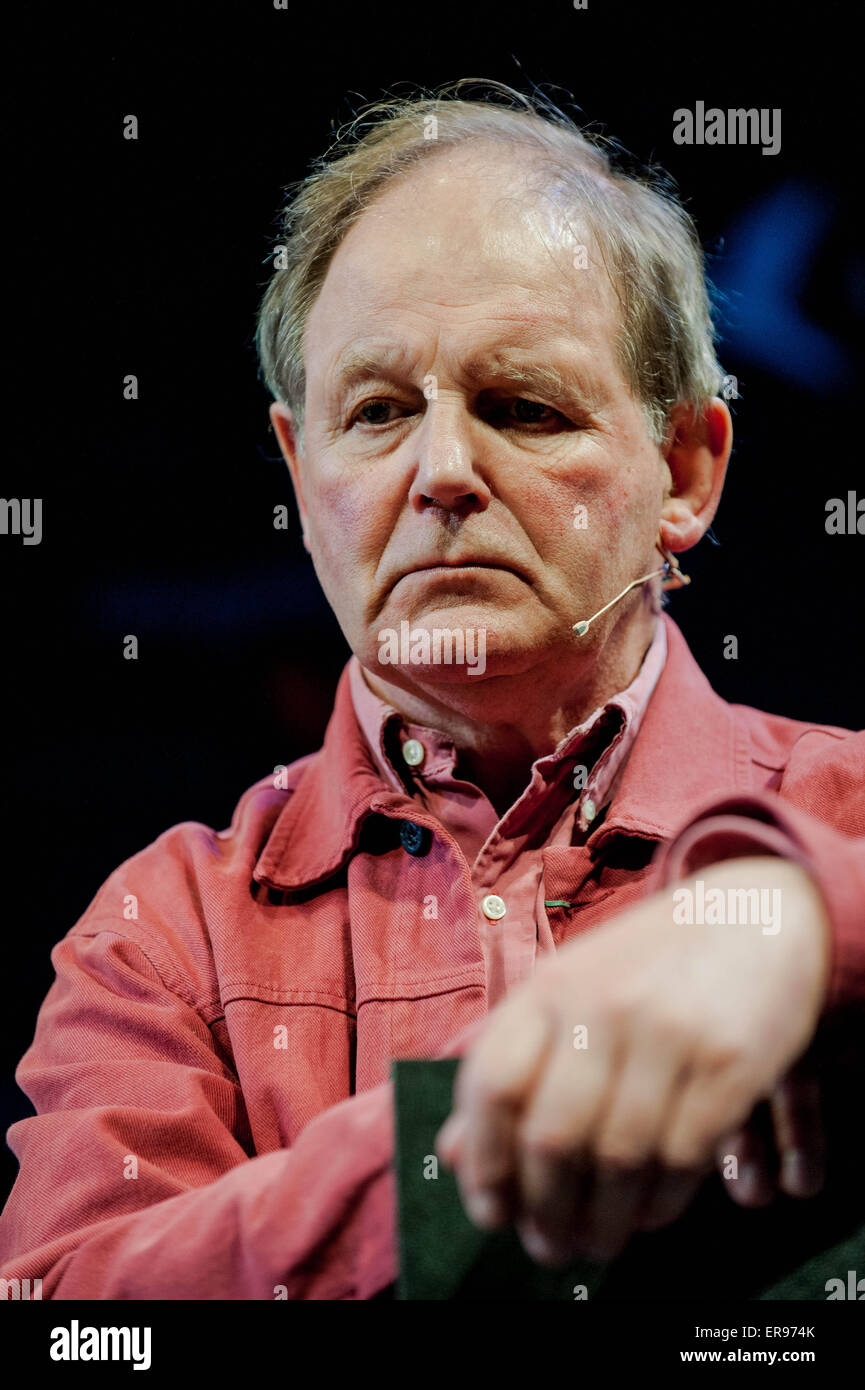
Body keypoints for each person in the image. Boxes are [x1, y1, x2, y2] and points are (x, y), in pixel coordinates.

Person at [1, 84, 863, 1300]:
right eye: (378, 412)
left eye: (522, 406)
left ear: (685, 470)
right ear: (303, 473)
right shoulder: (159, 936)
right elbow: (79, 1317)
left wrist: (801, 918)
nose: (443, 470)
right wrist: (479, 1135)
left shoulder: (852, 813)